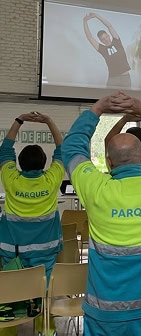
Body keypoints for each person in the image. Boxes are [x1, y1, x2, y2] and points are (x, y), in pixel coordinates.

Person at [61, 92, 141, 335]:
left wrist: (97, 108)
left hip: (105, 315)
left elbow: (73, 147)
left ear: (108, 162)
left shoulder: (96, 189)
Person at [0, 112, 64, 282]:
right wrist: (49, 120)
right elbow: (62, 150)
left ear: (19, 162)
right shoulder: (51, 180)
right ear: (44, 161)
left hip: (13, 250)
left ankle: (19, 308)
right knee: (43, 288)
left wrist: (19, 120)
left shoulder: (11, 178)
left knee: (15, 288)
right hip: (46, 250)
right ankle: (41, 307)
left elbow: (5, 150)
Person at [83, 12, 131, 88]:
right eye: (103, 39)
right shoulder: (102, 49)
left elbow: (109, 26)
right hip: (113, 79)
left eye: (106, 37)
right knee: (109, 99)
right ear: (101, 41)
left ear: (109, 35)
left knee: (126, 99)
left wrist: (96, 16)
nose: (106, 39)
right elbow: (90, 38)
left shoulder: (117, 41)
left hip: (125, 78)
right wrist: (85, 21)